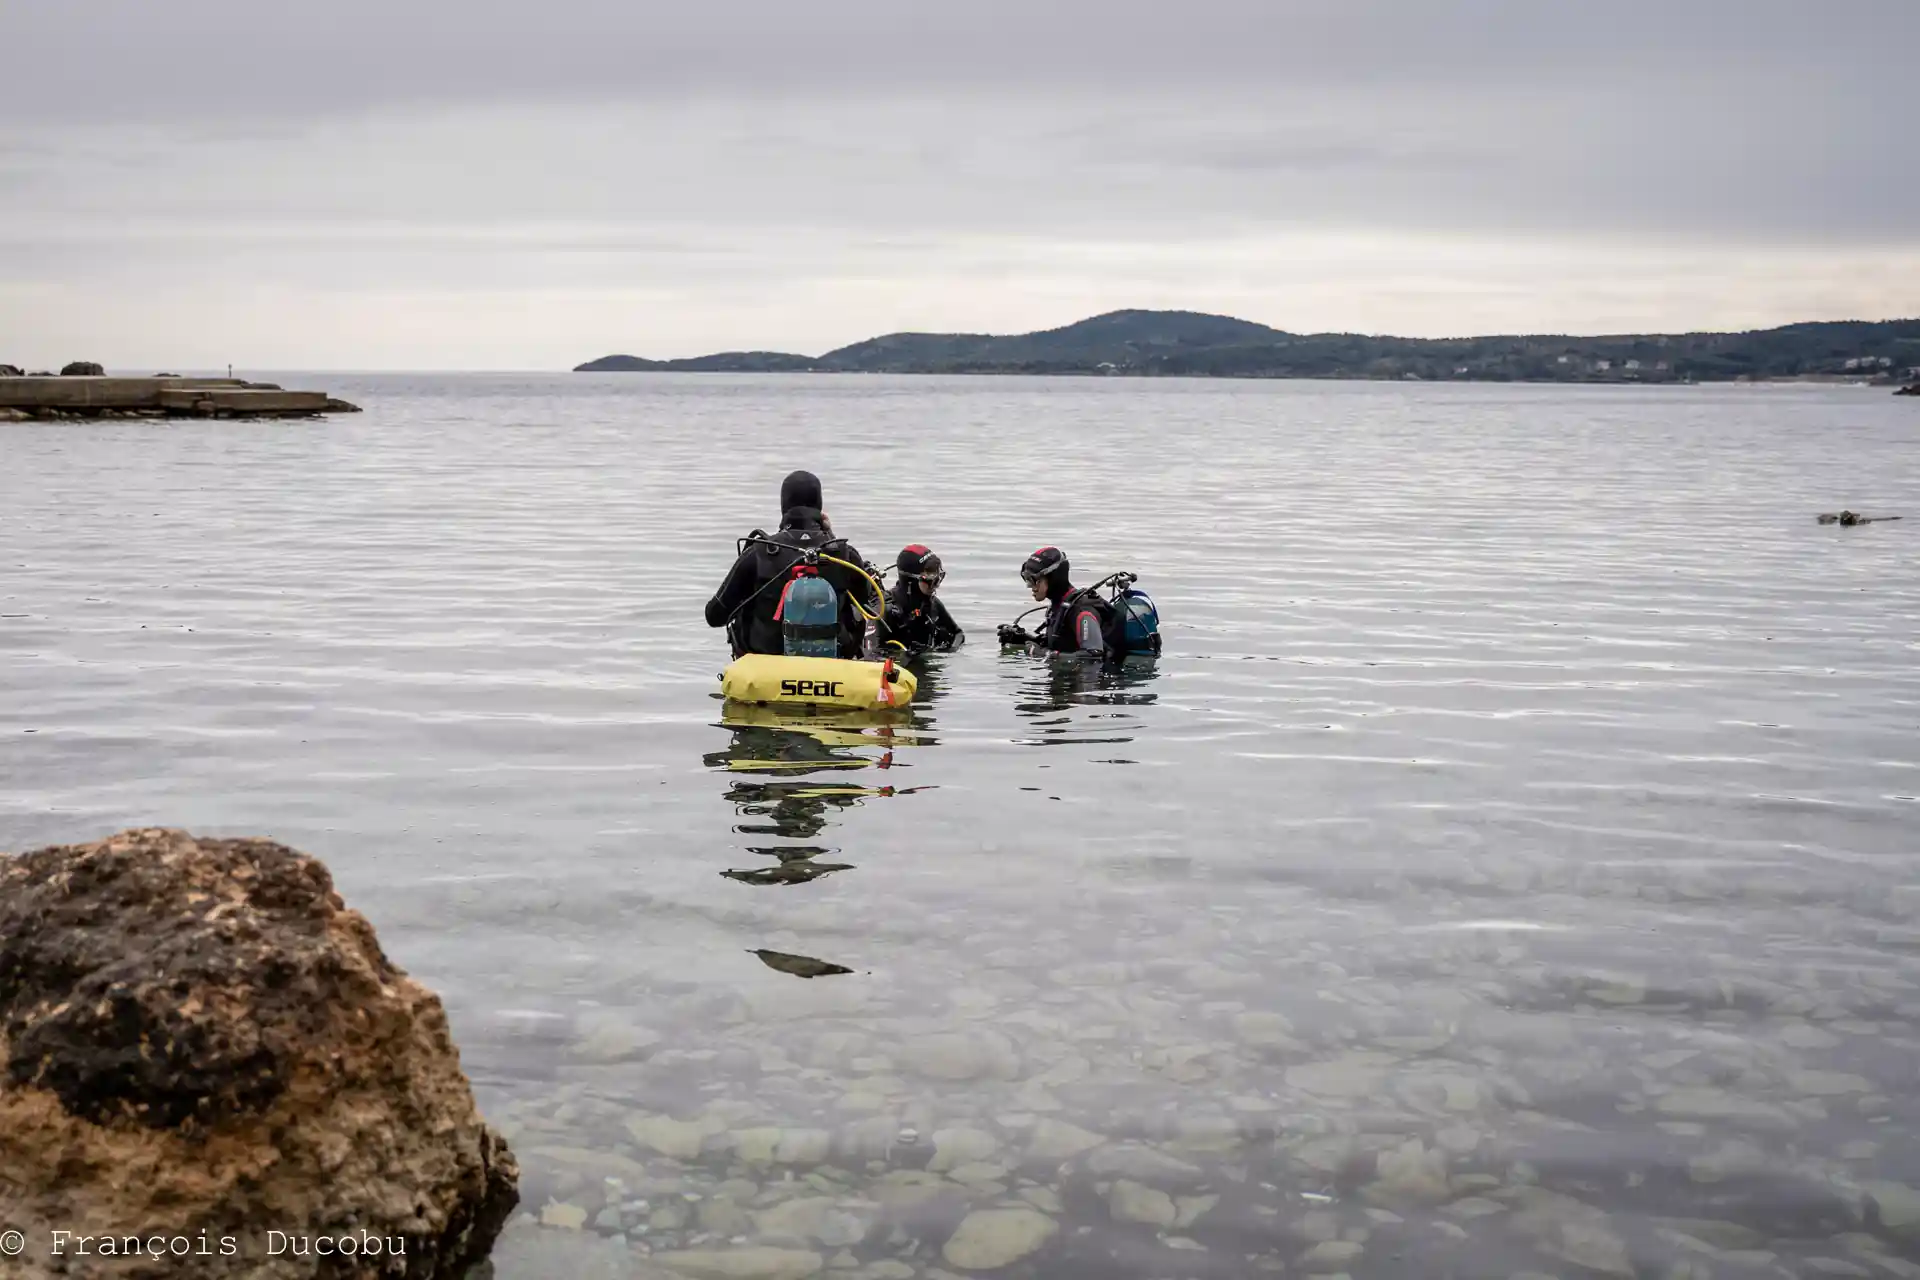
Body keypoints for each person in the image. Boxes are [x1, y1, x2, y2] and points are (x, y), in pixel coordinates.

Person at [705, 470, 874, 658]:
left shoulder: (760, 552)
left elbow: (714, 616)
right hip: (832, 669)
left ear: (783, 505)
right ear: (819, 506)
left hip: (767, 666)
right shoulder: (844, 554)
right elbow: (867, 603)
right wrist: (830, 536)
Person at [996, 546, 1109, 655]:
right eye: (1027, 579)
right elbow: (1060, 644)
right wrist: (1022, 638)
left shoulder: (1082, 612)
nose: (1030, 586)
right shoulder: (1059, 607)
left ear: (1053, 579)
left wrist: (1043, 654)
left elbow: (1093, 657)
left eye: (1034, 580)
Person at [873, 545, 964, 654]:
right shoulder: (886, 610)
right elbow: (871, 654)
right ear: (911, 581)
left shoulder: (933, 604)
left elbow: (958, 634)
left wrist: (950, 651)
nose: (936, 586)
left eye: (938, 579)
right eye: (931, 581)